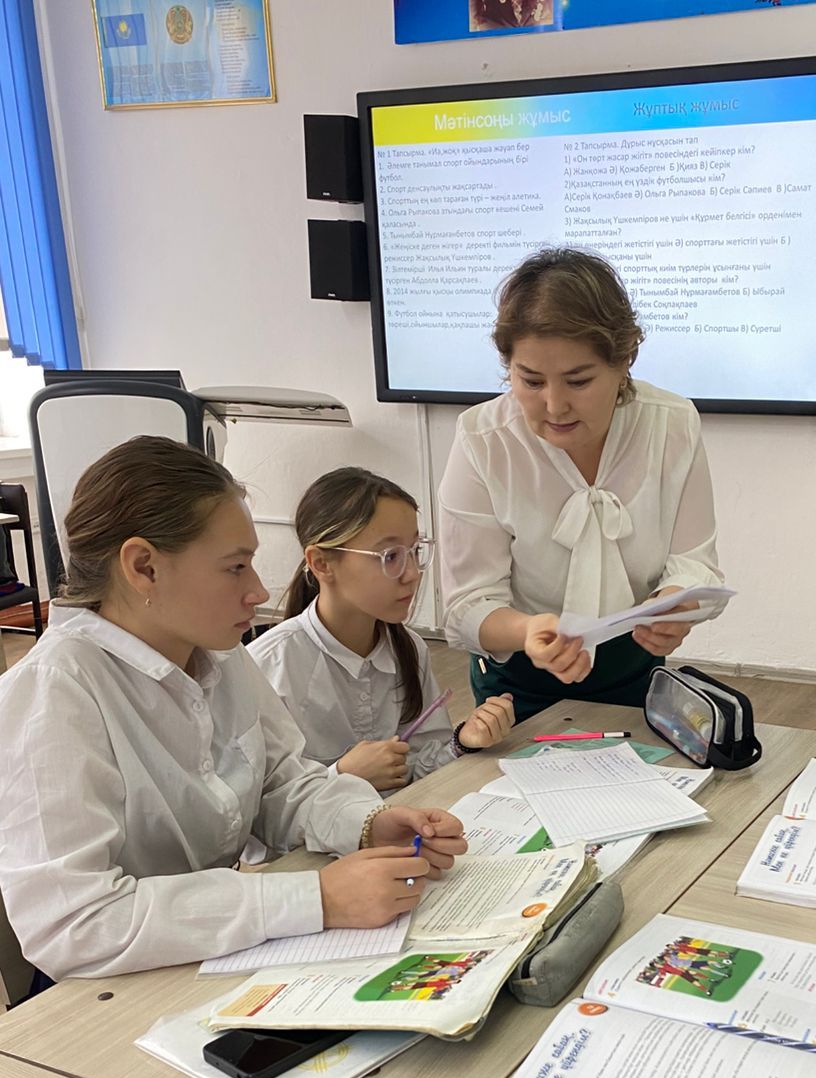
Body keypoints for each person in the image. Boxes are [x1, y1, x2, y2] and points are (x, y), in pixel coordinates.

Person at [0, 437, 467, 982]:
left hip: (211, 953)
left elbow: (281, 783)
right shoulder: (54, 693)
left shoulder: (218, 655)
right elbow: (75, 923)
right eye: (235, 567)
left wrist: (366, 824)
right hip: (110, 990)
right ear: (144, 567)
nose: (258, 590)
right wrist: (313, 898)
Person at [438, 248, 727, 723]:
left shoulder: (670, 424)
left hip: (638, 672)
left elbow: (695, 561)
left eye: (578, 381)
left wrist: (676, 605)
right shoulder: (483, 439)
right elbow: (466, 605)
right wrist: (529, 631)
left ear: (624, 360)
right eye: (531, 381)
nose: (555, 406)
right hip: (515, 686)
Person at [249, 467, 514, 791]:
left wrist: (463, 741)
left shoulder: (408, 649)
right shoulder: (269, 666)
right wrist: (341, 776)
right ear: (321, 563)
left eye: (415, 551)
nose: (412, 574)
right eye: (390, 556)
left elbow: (418, 766)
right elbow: (260, 805)